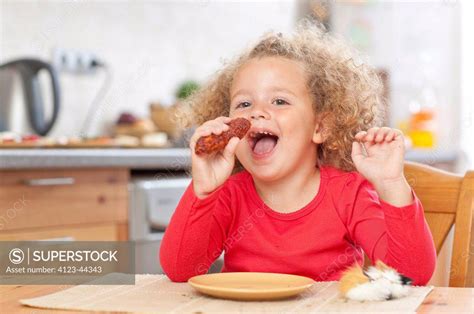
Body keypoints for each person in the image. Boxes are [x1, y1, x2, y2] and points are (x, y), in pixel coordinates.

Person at [159, 22, 436, 285]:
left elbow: (410, 275)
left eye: (279, 101)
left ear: (320, 126)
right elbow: (179, 270)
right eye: (243, 103)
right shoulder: (228, 195)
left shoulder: (349, 194)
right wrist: (203, 191)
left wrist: (390, 185)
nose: (256, 112)